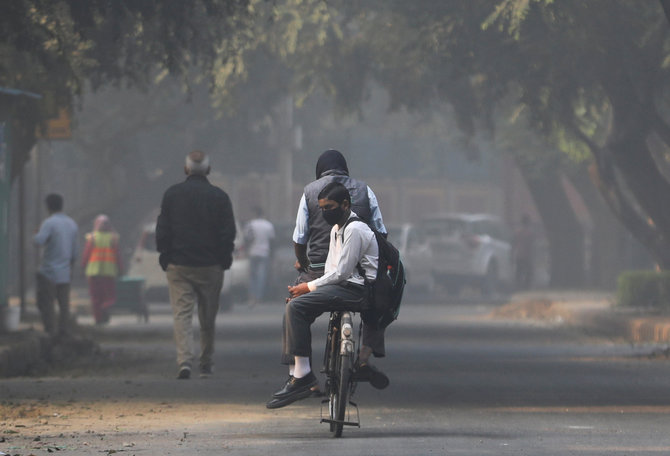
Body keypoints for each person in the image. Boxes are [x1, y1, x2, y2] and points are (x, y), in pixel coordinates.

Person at [267, 182, 388, 409]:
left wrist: (309, 287)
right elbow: (333, 269)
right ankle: (303, 373)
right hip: (344, 287)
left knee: (296, 308)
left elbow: (341, 273)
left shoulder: (355, 229)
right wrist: (306, 289)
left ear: (345, 204)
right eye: (321, 208)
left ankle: (302, 375)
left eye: (329, 207)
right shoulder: (336, 229)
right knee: (296, 302)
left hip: (359, 291)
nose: (325, 212)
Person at [283, 149, 388, 389]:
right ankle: (363, 358)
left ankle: (299, 370)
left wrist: (303, 263)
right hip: (360, 273)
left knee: (294, 305)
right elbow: (381, 231)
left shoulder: (310, 191)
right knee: (380, 301)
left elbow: (300, 237)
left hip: (320, 268)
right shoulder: (365, 190)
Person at [156, 150, 237, 379]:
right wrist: (224, 258)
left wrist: (165, 255)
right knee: (207, 316)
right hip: (211, 265)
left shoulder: (172, 195)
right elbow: (228, 232)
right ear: (209, 170)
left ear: (186, 169)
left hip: (178, 265)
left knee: (181, 315)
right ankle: (206, 360)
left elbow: (163, 229)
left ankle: (184, 361)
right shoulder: (220, 197)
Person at [33, 193, 79, 338]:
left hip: (48, 272)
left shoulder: (49, 223)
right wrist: (70, 268)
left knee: (46, 305)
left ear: (48, 206)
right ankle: (63, 333)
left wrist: (36, 233)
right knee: (64, 306)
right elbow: (74, 252)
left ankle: (50, 333)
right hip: (64, 274)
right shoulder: (72, 224)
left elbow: (38, 242)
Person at [81, 214, 122, 325]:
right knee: (109, 297)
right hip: (108, 273)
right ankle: (105, 312)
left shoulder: (92, 237)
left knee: (95, 298)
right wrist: (121, 269)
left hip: (93, 272)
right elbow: (117, 256)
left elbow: (86, 255)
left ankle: (98, 319)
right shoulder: (113, 238)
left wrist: (83, 266)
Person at [243, 206, 275, 306]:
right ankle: (259, 296)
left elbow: (247, 238)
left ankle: (252, 296)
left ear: (254, 214)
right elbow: (272, 240)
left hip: (253, 252)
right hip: (264, 252)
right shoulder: (268, 225)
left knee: (253, 276)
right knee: (262, 276)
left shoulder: (250, 224)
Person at [512, 213, 535, 290]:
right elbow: (531, 246)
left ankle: (518, 287)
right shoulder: (530, 233)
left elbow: (514, 244)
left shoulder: (517, 232)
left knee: (519, 272)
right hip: (527, 256)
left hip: (519, 255)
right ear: (528, 223)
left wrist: (512, 254)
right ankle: (526, 287)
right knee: (529, 272)